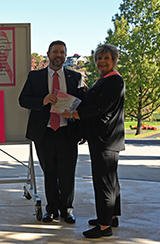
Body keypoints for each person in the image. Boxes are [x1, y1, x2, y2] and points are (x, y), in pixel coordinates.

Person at [58, 44, 125, 238]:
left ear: (114, 60)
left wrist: (73, 114)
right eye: (98, 59)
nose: (101, 62)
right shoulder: (107, 80)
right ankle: (111, 217)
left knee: (103, 182)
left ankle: (104, 227)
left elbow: (100, 108)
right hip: (108, 138)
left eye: (106, 59)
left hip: (104, 139)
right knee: (111, 180)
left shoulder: (113, 81)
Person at [19, 40, 85, 224]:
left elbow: (83, 105)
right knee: (49, 173)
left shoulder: (75, 77)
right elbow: (23, 100)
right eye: (55, 52)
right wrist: (43, 100)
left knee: (67, 174)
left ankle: (67, 210)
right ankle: (52, 210)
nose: (59, 55)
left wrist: (82, 129)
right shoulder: (35, 77)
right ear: (48, 54)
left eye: (62, 52)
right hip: (44, 133)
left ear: (65, 55)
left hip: (67, 132)